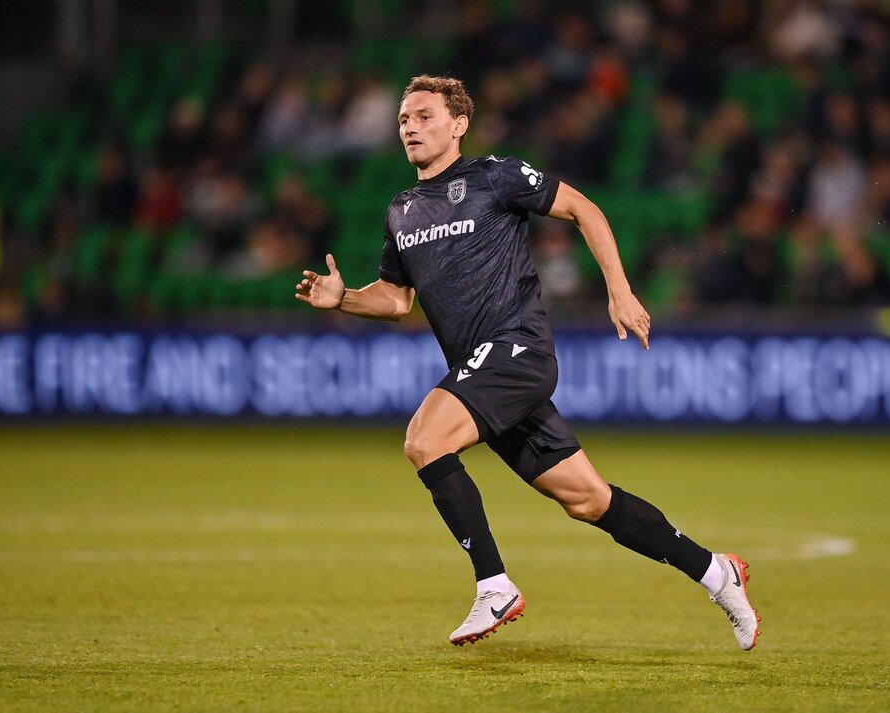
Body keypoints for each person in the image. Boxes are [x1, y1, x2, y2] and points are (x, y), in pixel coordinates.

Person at [295, 75, 760, 650]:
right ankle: (716, 572)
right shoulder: (402, 211)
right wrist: (343, 298)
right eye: (403, 119)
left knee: (424, 440)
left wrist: (619, 290)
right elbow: (396, 299)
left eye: (424, 116)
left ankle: (494, 585)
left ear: (459, 124)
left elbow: (585, 210)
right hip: (485, 372)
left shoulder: (495, 177)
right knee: (588, 500)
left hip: (517, 349)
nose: (410, 127)